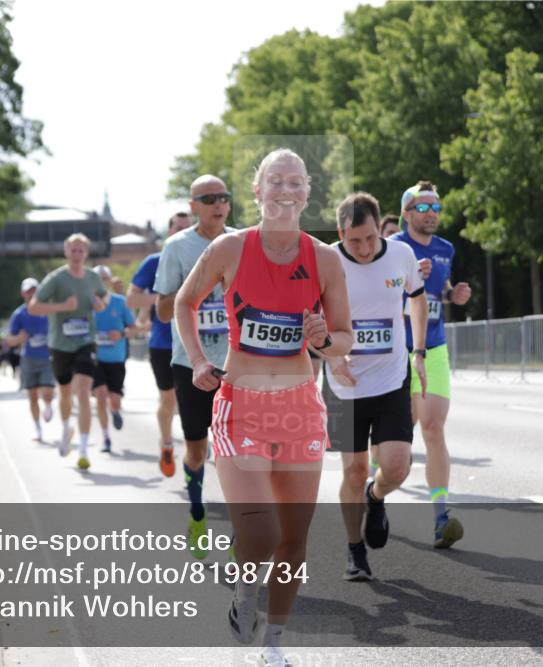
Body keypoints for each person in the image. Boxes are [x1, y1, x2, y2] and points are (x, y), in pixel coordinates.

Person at [175, 149, 352, 666]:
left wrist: (324, 338)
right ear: (257, 192)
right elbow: (185, 303)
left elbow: (343, 338)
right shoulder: (230, 249)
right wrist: (196, 360)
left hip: (300, 410)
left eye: (294, 181)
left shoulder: (324, 258)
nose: (284, 189)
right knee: (262, 532)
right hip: (241, 407)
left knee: (293, 539)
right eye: (274, 180)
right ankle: (244, 589)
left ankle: (273, 644)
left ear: (306, 192)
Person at [322, 192, 428, 581]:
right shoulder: (326, 260)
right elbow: (309, 318)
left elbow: (417, 299)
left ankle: (376, 496)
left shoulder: (400, 256)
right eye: (355, 241)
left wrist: (419, 351)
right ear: (340, 233)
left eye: (370, 238)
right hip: (344, 384)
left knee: (397, 467)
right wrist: (332, 355)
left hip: (390, 377)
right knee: (353, 471)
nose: (365, 248)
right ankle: (355, 550)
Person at [156, 176, 235, 556]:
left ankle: (241, 533)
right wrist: (195, 289)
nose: (218, 204)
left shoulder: (242, 242)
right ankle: (198, 512)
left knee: (236, 451)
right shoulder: (177, 247)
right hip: (190, 362)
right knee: (198, 450)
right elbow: (159, 309)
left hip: (236, 363)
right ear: (193, 206)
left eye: (223, 197)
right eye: (209, 199)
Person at [393, 180, 471, 549]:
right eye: (423, 208)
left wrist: (452, 294)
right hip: (394, 353)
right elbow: (376, 297)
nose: (431, 214)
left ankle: (441, 515)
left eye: (436, 208)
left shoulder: (445, 249)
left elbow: (440, 290)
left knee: (434, 427)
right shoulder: (392, 249)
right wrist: (407, 281)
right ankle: (372, 489)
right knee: (396, 436)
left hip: (434, 349)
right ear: (407, 212)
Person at [29, 233, 109, 468]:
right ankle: (66, 428)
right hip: (60, 344)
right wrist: (62, 306)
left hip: (86, 340)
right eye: (73, 250)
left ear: (86, 253)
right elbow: (33, 307)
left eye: (81, 251)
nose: (77, 254)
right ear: (66, 252)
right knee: (64, 393)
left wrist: (99, 305)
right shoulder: (56, 279)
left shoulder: (93, 277)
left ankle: (83, 450)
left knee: (83, 392)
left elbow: (104, 300)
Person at [127, 211, 193, 476]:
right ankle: (167, 444)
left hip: (196, 343)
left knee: (194, 401)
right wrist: (168, 299)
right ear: (169, 231)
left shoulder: (203, 257)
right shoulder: (154, 261)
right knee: (169, 401)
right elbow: (132, 300)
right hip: (163, 343)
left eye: (187, 228)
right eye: (178, 227)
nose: (182, 232)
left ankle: (194, 445)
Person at [91, 265, 136, 455]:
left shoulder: (120, 302)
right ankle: (106, 437)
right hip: (95, 358)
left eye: (104, 278)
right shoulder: (86, 303)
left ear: (109, 281)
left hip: (117, 358)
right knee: (100, 395)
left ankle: (115, 411)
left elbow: (134, 328)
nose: (101, 282)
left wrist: (121, 333)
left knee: (114, 400)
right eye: (97, 279)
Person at [6, 277, 56, 443]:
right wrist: (19, 338)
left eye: (34, 290)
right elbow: (10, 340)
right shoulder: (19, 314)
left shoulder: (48, 311)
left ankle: (48, 406)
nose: (31, 293)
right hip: (28, 358)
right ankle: (37, 429)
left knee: (47, 392)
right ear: (23, 294)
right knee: (32, 396)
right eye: (28, 291)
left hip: (47, 357)